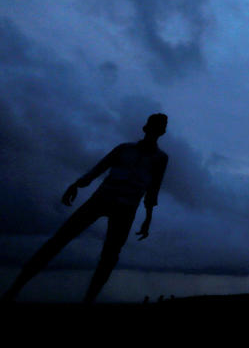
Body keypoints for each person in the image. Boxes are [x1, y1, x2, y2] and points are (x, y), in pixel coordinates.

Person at [3, 113, 169, 303]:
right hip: (101, 199)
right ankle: (14, 289)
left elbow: (153, 189)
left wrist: (148, 218)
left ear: (162, 131)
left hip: (126, 208)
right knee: (59, 239)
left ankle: (88, 300)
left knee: (109, 257)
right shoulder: (124, 149)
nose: (156, 129)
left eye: (160, 126)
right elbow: (99, 167)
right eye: (154, 125)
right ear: (146, 128)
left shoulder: (160, 159)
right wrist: (78, 184)